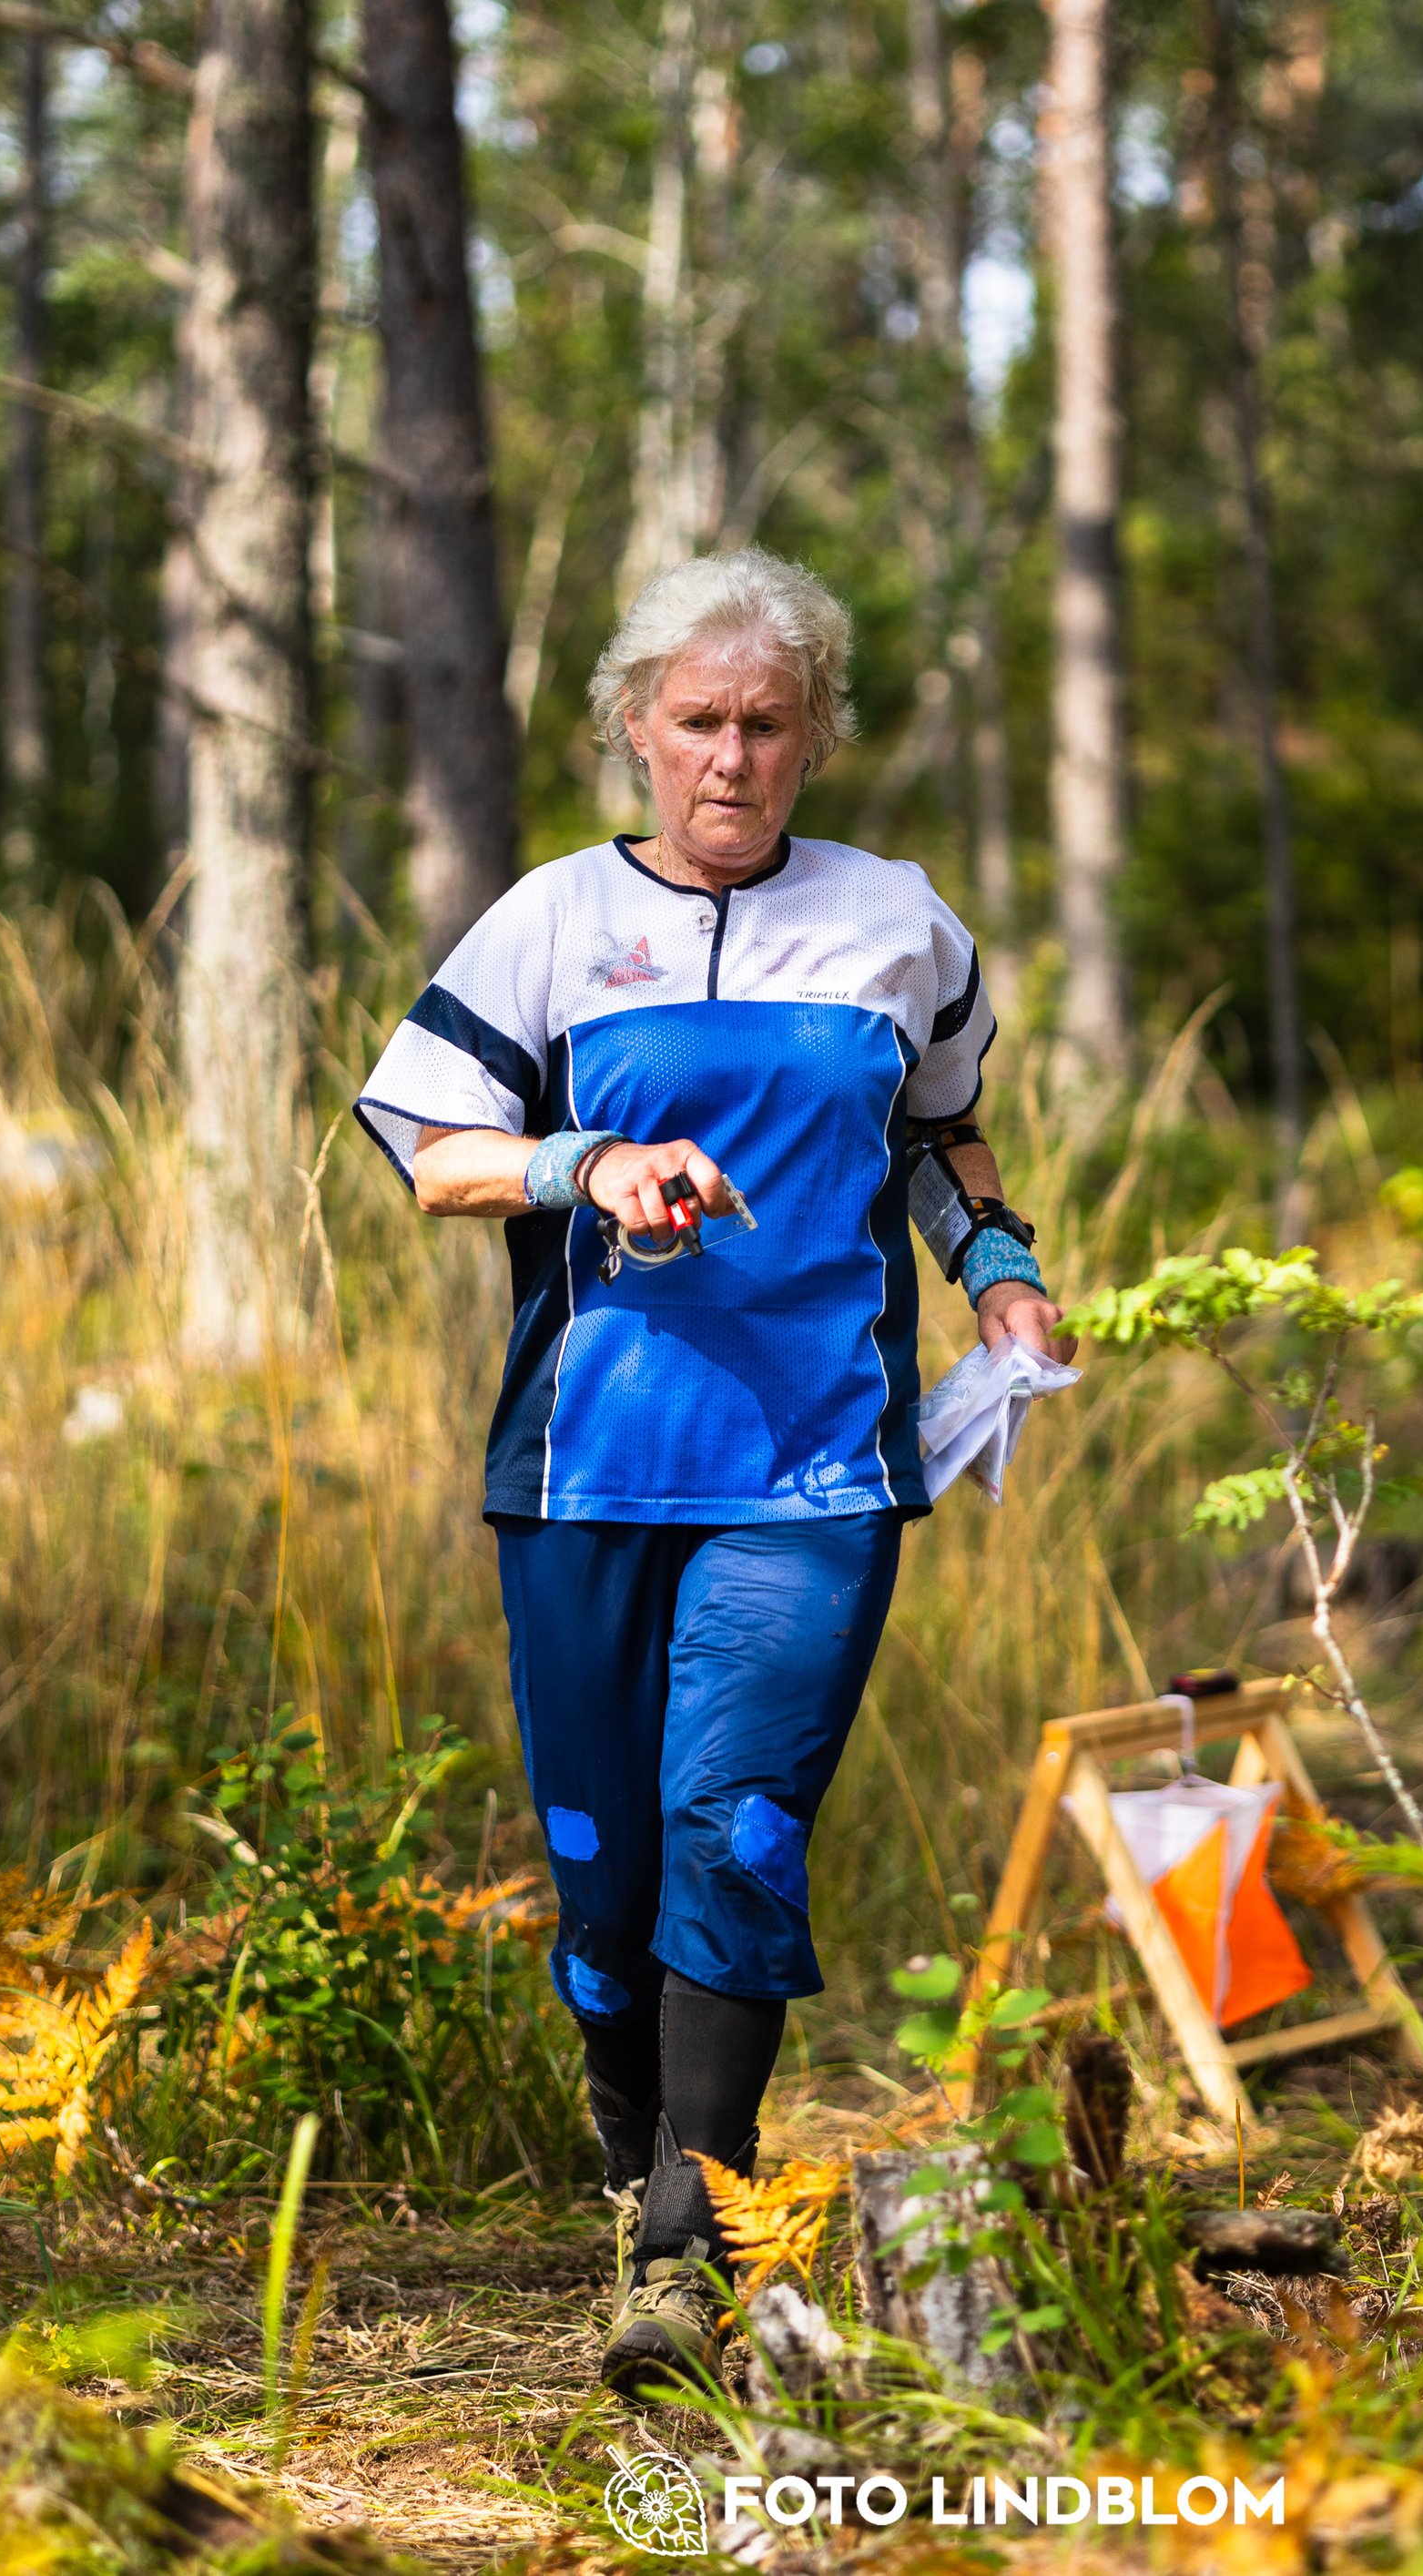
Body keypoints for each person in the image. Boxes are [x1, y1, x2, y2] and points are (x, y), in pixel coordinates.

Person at [353, 547, 1062, 2398]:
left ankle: (688, 2250)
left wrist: (996, 1271)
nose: (730, 759)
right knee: (597, 1874)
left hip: (812, 1464)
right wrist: (582, 1160)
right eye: (696, 723)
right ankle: (629, 2175)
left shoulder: (900, 924)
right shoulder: (542, 922)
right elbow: (430, 1148)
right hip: (582, 1464)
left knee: (732, 1832)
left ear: (815, 734)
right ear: (633, 733)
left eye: (765, 723)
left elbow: (943, 1134)